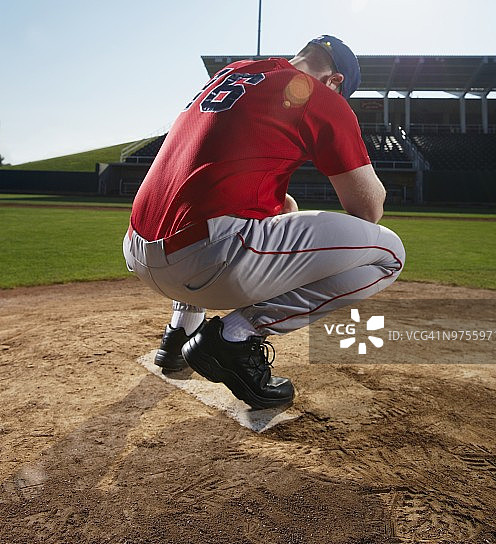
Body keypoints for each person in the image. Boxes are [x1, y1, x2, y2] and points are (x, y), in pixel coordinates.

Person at [123, 35, 405, 410]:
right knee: (389, 254)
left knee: (267, 210)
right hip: (201, 261)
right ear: (335, 80)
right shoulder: (320, 95)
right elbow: (368, 209)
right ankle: (235, 337)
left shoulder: (232, 73)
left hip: (137, 247)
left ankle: (179, 335)